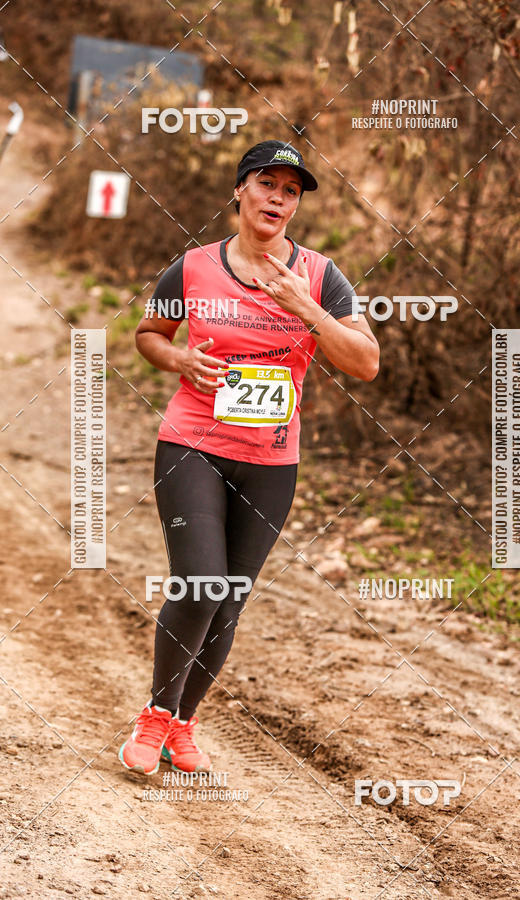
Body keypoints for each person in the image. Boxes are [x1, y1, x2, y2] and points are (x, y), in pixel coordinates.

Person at [119, 139, 379, 775]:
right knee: (201, 582)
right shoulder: (193, 267)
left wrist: (305, 308)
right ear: (240, 191)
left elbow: (366, 362)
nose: (279, 199)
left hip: (270, 463)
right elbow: (149, 335)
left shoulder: (320, 276)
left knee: (230, 600)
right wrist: (179, 358)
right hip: (192, 445)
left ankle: (184, 725)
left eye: (290, 192)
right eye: (268, 185)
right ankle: (154, 718)